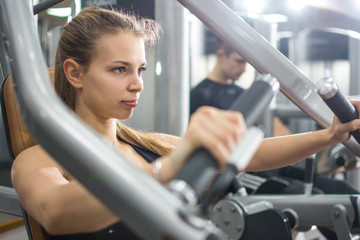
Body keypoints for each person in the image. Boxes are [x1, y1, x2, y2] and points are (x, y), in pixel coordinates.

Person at [11, 7, 360, 240]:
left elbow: (253, 155)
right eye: (120, 69)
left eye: (140, 70)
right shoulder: (37, 161)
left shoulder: (147, 146)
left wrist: (330, 134)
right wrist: (169, 169)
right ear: (74, 73)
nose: (138, 84)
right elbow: (55, 212)